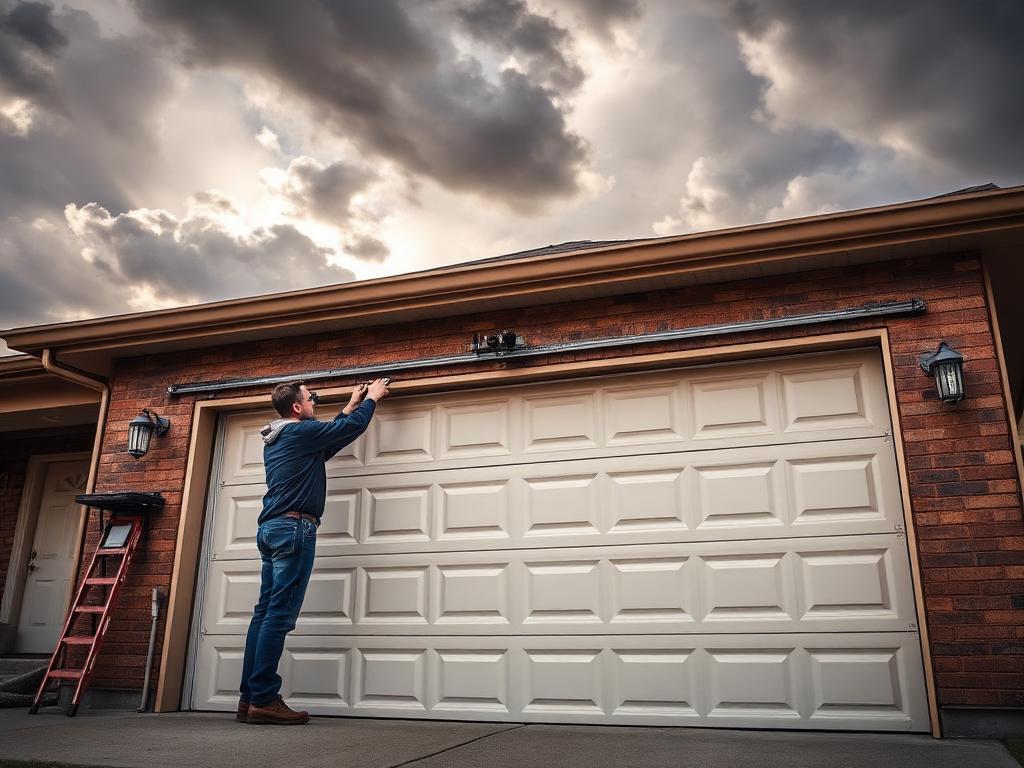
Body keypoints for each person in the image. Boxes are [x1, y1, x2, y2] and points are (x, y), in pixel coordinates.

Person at [238, 377, 390, 725]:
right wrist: (373, 400)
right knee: (279, 616)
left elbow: (330, 442)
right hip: (294, 529)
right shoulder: (298, 433)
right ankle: (263, 698)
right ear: (297, 407)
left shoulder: (280, 438)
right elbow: (349, 429)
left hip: (271, 530)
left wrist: (352, 403)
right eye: (311, 398)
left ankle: (249, 698)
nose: (314, 402)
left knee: (264, 614)